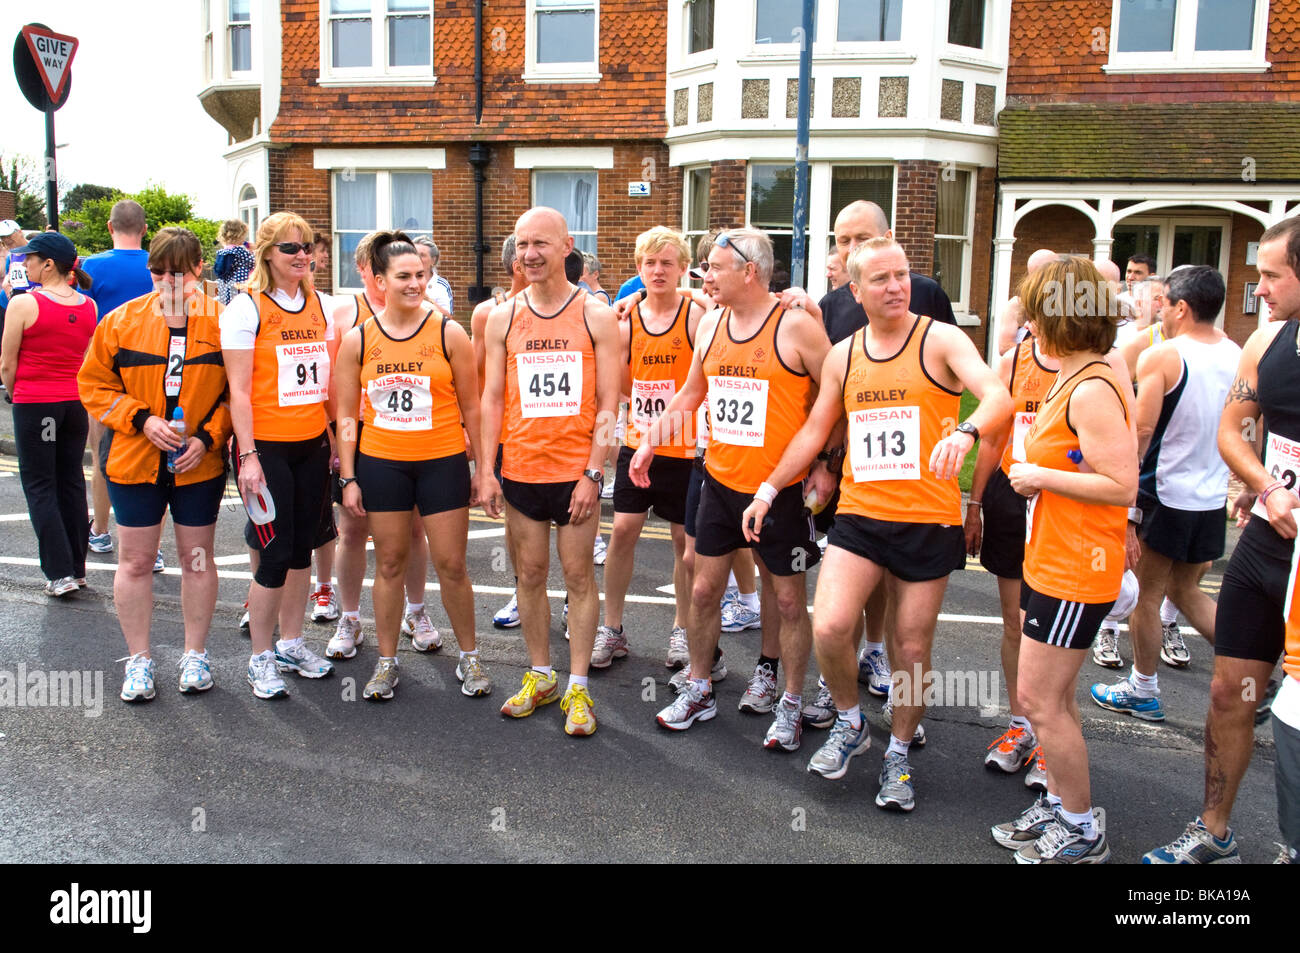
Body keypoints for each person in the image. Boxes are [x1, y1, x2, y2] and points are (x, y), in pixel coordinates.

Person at [744, 236, 1011, 808]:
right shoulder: (844, 353)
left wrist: (965, 432)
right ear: (856, 290)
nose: (896, 287)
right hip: (862, 515)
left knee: (911, 648)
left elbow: (997, 397)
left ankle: (899, 754)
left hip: (928, 520)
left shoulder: (939, 339)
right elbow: (817, 429)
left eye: (903, 275)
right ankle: (851, 722)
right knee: (832, 627)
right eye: (882, 279)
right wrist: (769, 488)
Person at [636, 227, 836, 754]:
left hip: (783, 489)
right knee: (703, 589)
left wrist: (827, 462)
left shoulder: (796, 327)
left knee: (788, 598)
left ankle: (788, 697)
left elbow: (836, 397)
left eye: (715, 267)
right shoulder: (711, 324)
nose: (705, 275)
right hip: (719, 479)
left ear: (750, 271)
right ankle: (700, 685)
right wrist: (648, 444)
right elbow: (692, 392)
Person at [1144, 215, 1300, 863]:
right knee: (1227, 690)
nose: (1257, 288)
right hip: (1266, 541)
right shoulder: (1266, 343)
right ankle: (1214, 829)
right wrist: (1264, 483)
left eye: (1271, 274)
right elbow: (1234, 429)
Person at [991, 255, 1136, 864]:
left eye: (1034, 306)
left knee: (1041, 701)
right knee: (1055, 700)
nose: (1025, 316)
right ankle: (1059, 803)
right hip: (1054, 559)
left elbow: (1122, 483)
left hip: (1078, 567)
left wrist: (1038, 476)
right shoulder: (1078, 373)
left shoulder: (1094, 384)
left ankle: (1080, 827)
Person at [336, 231, 496, 700]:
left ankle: (470, 657)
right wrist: (348, 476)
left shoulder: (449, 332)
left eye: (420, 275)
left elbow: (473, 406)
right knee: (388, 563)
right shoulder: (358, 339)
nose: (414, 284)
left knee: (451, 564)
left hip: (441, 461)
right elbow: (347, 416)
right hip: (382, 463)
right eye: (403, 276)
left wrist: (483, 470)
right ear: (379, 280)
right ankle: (386, 663)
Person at [480, 207, 621, 736]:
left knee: (580, 576)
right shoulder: (502, 317)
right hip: (519, 470)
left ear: (567, 246)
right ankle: (541, 675)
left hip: (574, 474)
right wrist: (488, 468)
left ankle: (578, 687)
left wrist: (594, 472)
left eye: (541, 242)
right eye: (522, 244)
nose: (530, 253)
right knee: (530, 576)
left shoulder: (594, 315)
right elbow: (493, 396)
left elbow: (610, 402)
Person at [78, 227, 231, 701]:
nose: (168, 281)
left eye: (178, 273)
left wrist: (208, 438)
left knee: (196, 559)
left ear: (198, 271)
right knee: (137, 560)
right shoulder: (120, 321)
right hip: (134, 459)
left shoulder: (224, 321)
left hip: (197, 464)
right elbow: (94, 386)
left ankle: (194, 655)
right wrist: (141, 419)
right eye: (159, 272)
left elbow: (238, 395)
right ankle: (140, 660)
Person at [1089, 266, 1239, 721]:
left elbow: (1142, 431)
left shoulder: (1165, 357)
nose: (1159, 310)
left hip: (1164, 493)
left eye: (1165, 301)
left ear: (1182, 307)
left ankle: (1143, 689)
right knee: (1189, 592)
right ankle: (1255, 677)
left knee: (1148, 596)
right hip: (1210, 497)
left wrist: (1125, 499)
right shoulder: (1238, 352)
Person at [221, 211, 338, 699]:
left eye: (307, 246)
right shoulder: (245, 309)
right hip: (265, 448)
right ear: (266, 252)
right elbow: (239, 393)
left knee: (302, 548)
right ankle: (260, 657)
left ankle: (292, 643)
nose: (301, 255)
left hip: (311, 444)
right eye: (291, 248)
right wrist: (247, 456)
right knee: (273, 551)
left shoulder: (324, 306)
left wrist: (333, 439)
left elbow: (327, 385)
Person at [594, 227, 704, 669]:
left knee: (682, 542)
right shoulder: (627, 322)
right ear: (639, 269)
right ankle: (613, 627)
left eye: (667, 263)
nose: (657, 271)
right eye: (649, 263)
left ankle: (680, 630)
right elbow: (620, 386)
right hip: (638, 443)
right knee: (622, 531)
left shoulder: (696, 316)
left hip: (684, 449)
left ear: (682, 269)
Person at [0, 233, 97, 595]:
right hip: (74, 405)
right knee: (70, 481)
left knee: (40, 485)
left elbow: (7, 364)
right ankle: (77, 566)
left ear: (48, 264)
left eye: (29, 259)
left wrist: (14, 392)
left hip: (38, 405)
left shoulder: (24, 304)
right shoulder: (88, 305)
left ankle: (59, 573)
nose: (24, 264)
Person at [82, 200, 156, 563]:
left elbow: (82, 320)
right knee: (155, 460)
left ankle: (100, 532)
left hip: (109, 376)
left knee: (103, 457)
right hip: (153, 373)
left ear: (110, 228)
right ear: (144, 229)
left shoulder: (91, 267)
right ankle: (152, 548)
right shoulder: (157, 265)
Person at [213, 219, 256, 306]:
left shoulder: (223, 252)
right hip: (239, 288)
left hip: (225, 290)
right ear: (240, 235)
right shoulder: (240, 251)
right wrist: (254, 251)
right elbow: (254, 263)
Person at [412, 236, 454, 316]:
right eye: (414, 254)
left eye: (422, 255)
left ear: (433, 260)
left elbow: (448, 317)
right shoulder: (403, 281)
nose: (417, 258)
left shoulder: (441, 285)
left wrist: (427, 299)